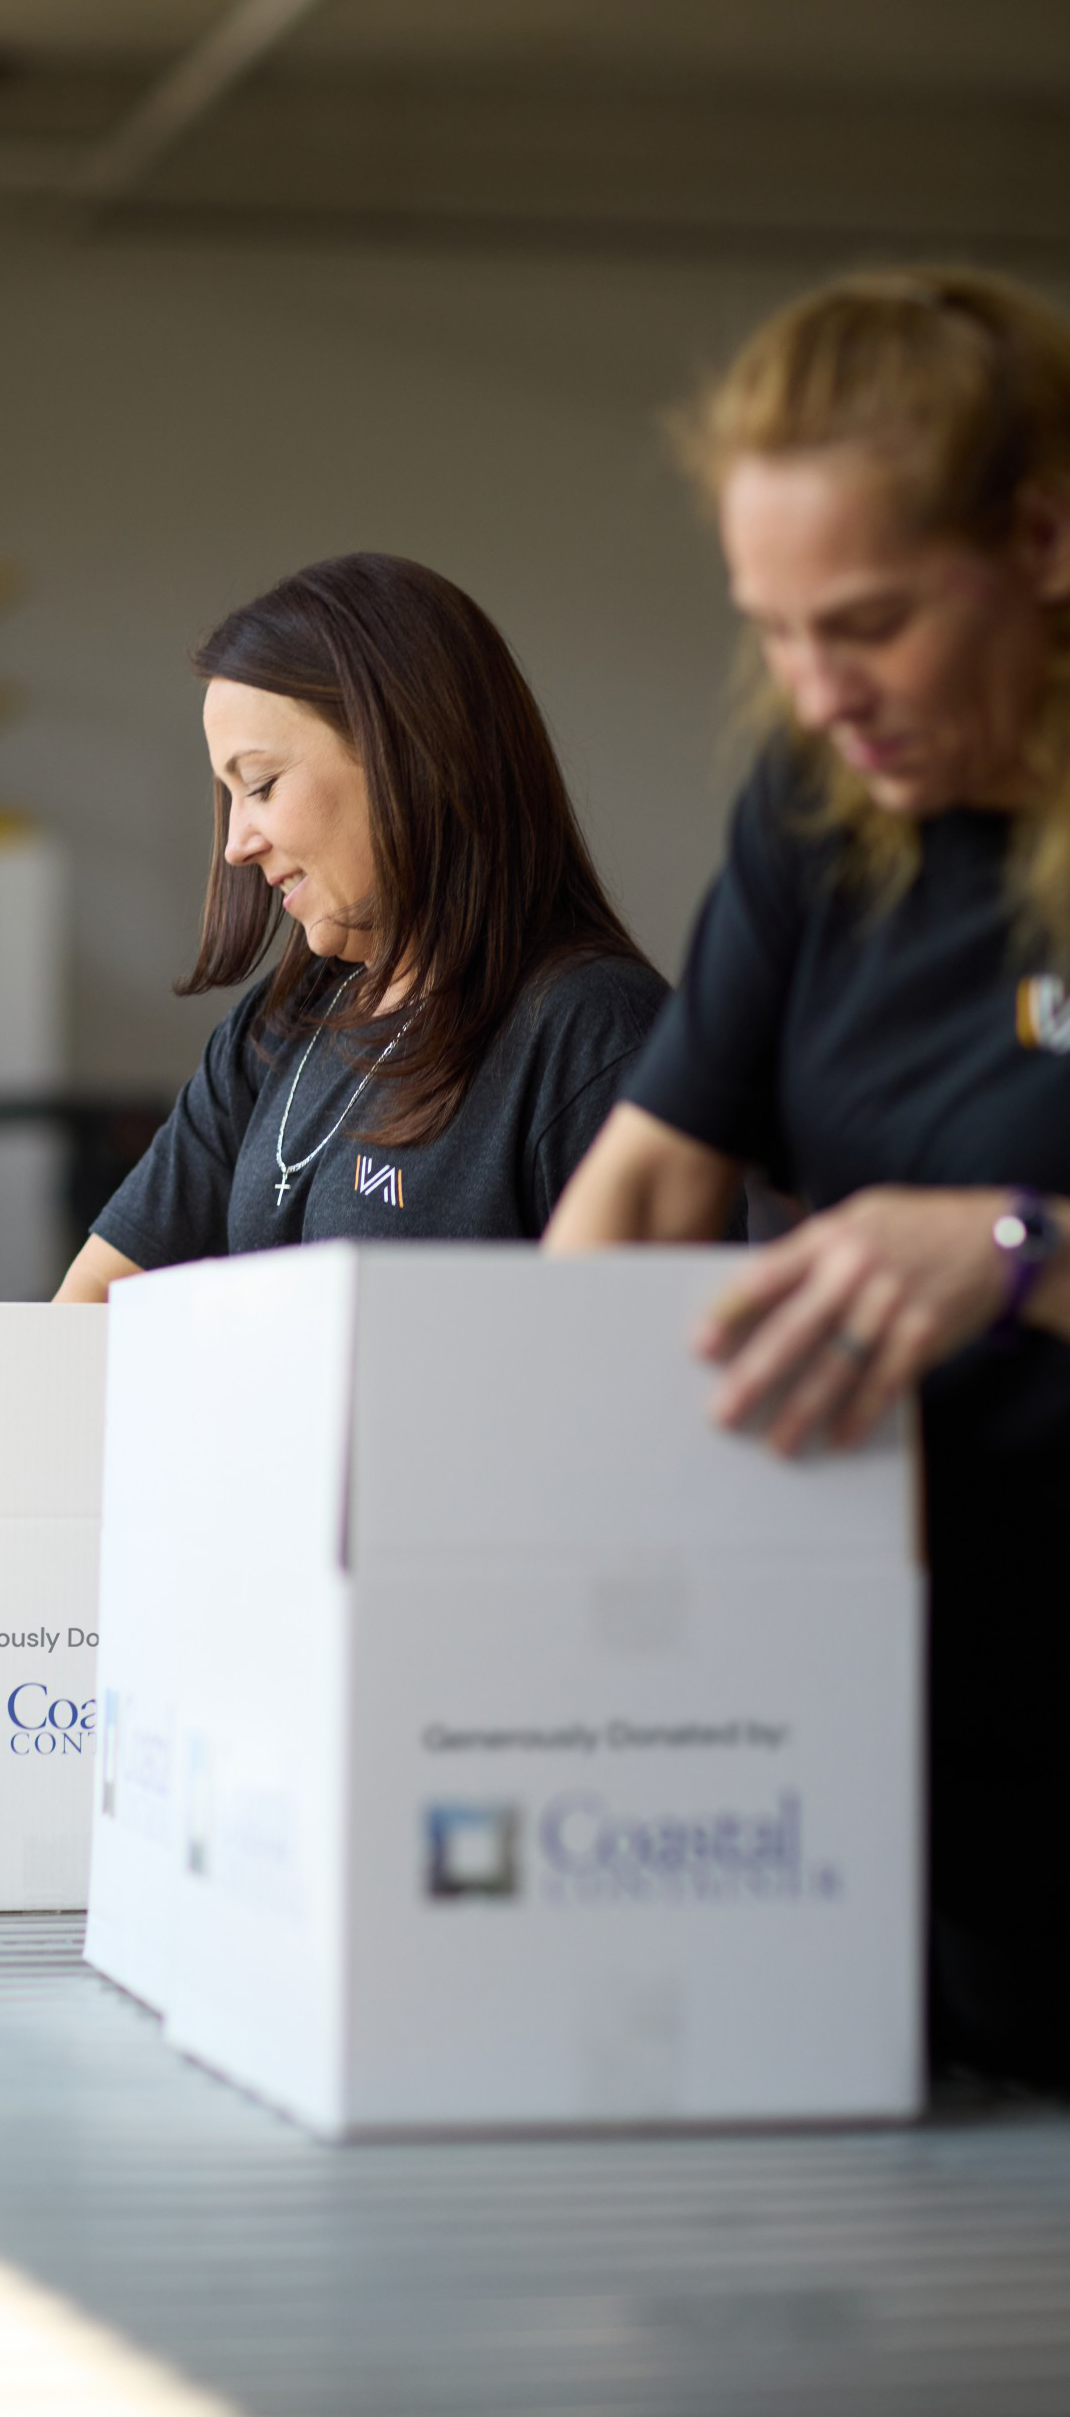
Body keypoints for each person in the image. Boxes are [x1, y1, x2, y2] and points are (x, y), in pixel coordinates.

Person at [545, 266, 1070, 2084]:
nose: (816, 691)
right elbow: (637, 1198)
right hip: (895, 1758)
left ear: (1039, 535)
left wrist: (1016, 1252)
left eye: (865, 622)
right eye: (768, 629)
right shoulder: (816, 812)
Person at [56, 552, 666, 1303]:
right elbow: (89, 1305)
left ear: (405, 749)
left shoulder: (595, 1032)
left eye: (262, 785)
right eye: (229, 797)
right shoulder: (277, 1029)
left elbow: (637, 1379)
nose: (236, 843)